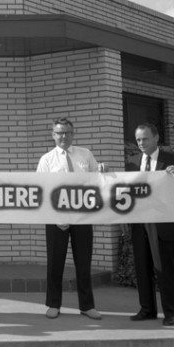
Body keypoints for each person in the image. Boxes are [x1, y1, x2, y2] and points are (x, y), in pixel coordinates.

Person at [125, 123, 174, 326]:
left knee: (166, 269)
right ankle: (147, 310)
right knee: (142, 268)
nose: (141, 143)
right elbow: (126, 191)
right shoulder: (132, 162)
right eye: (138, 139)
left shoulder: (173, 160)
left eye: (145, 138)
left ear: (156, 138)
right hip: (140, 224)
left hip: (164, 224)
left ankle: (170, 313)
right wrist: (107, 175)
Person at [36, 117, 103, 320]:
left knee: (83, 263)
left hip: (82, 218)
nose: (63, 136)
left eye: (67, 132)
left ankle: (87, 305)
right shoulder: (46, 159)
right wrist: (55, 216)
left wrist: (103, 172)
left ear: (73, 134)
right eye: (59, 133)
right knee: (55, 263)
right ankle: (53, 304)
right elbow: (41, 190)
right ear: (53, 135)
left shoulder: (86, 154)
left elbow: (97, 183)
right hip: (56, 220)